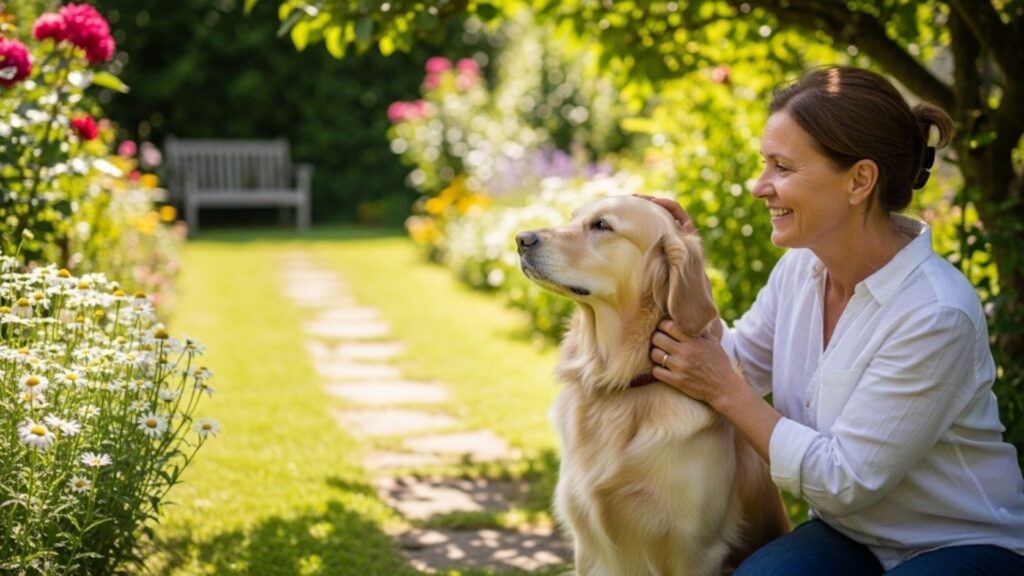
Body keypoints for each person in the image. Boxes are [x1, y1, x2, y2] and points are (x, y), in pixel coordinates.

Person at [646, 66, 1024, 575]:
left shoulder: (936, 313)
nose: (759, 186)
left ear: (859, 180)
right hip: (851, 536)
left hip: (961, 542)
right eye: (765, 164)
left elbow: (844, 480)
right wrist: (686, 266)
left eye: (782, 167)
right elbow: (733, 364)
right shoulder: (801, 269)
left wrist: (724, 391)